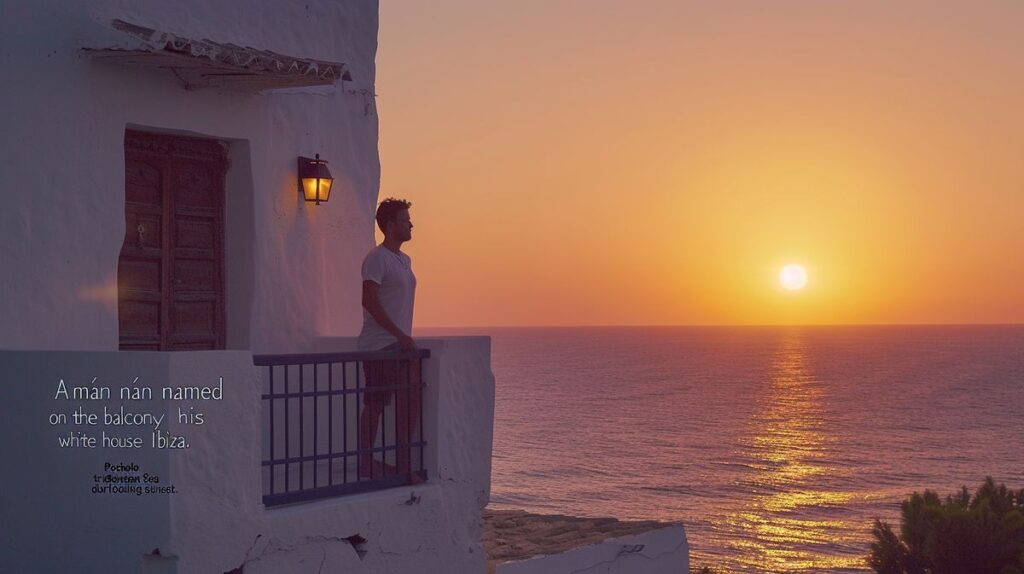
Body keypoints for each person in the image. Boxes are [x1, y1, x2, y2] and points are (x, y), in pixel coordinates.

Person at [357, 198, 422, 483]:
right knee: (376, 404)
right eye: (406, 219)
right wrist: (399, 335)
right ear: (391, 225)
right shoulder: (376, 258)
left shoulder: (404, 260)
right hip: (379, 346)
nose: (411, 224)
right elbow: (369, 301)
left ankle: (403, 464)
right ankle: (365, 463)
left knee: (409, 401)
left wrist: (402, 338)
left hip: (399, 346)